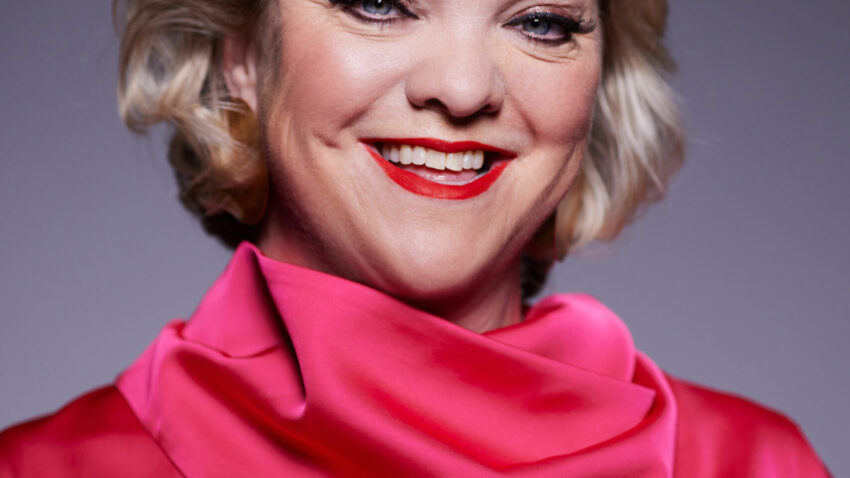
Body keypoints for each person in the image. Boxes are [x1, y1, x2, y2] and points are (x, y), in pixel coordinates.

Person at [0, 0, 831, 476]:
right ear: (246, 55)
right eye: (379, 2)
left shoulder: (750, 465)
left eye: (540, 21)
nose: (463, 88)